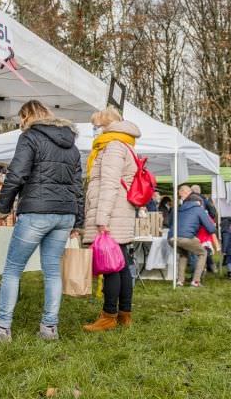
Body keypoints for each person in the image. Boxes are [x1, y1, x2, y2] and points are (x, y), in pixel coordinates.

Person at [0, 100, 84, 342]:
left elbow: (16, 174)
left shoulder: (30, 137)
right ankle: (49, 328)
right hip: (64, 214)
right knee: (52, 271)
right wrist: (78, 221)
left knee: (12, 269)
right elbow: (77, 187)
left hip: (37, 211)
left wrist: (2, 209)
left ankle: (2, 329)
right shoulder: (71, 145)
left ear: (26, 116)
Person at [83, 106, 141, 332]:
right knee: (123, 264)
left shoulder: (113, 146)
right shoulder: (125, 143)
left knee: (111, 267)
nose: (96, 131)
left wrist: (101, 217)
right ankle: (124, 313)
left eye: (97, 126)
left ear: (106, 125)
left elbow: (108, 184)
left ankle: (108, 315)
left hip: (112, 213)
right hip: (120, 211)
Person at [168, 185, 216, 287]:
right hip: (186, 237)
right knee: (203, 253)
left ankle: (180, 281)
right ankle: (196, 281)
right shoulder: (199, 209)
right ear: (199, 202)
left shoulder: (179, 208)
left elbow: (170, 223)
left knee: (183, 254)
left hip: (171, 238)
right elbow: (211, 229)